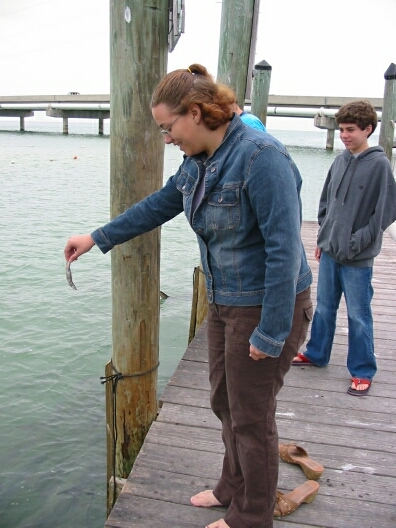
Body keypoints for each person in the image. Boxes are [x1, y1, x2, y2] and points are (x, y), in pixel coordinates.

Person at [64, 64, 312, 528]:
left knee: (251, 418)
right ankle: (230, 488)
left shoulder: (262, 158)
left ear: (195, 113)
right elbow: (160, 204)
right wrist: (97, 237)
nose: (166, 138)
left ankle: (251, 517)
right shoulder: (198, 160)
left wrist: (272, 332)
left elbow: (284, 250)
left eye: (168, 127)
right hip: (225, 301)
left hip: (265, 306)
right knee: (224, 401)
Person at [293, 99, 396, 397]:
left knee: (358, 316)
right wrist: (324, 240)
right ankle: (316, 353)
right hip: (330, 253)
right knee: (324, 308)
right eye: (341, 130)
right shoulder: (340, 160)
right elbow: (326, 202)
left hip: (358, 259)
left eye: (350, 130)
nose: (345, 135)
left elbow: (387, 211)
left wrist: (356, 242)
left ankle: (363, 371)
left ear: (368, 129)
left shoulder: (379, 165)